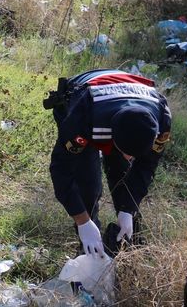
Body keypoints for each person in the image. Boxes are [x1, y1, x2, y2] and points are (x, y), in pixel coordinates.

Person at [45, 69, 172, 258]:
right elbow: (61, 169)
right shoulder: (84, 118)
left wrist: (128, 209)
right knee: (88, 184)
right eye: (127, 152)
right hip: (82, 94)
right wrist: (83, 221)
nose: (130, 159)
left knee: (122, 173)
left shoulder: (161, 120)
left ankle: (128, 241)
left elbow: (146, 168)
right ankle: (90, 249)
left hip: (127, 93)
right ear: (112, 138)